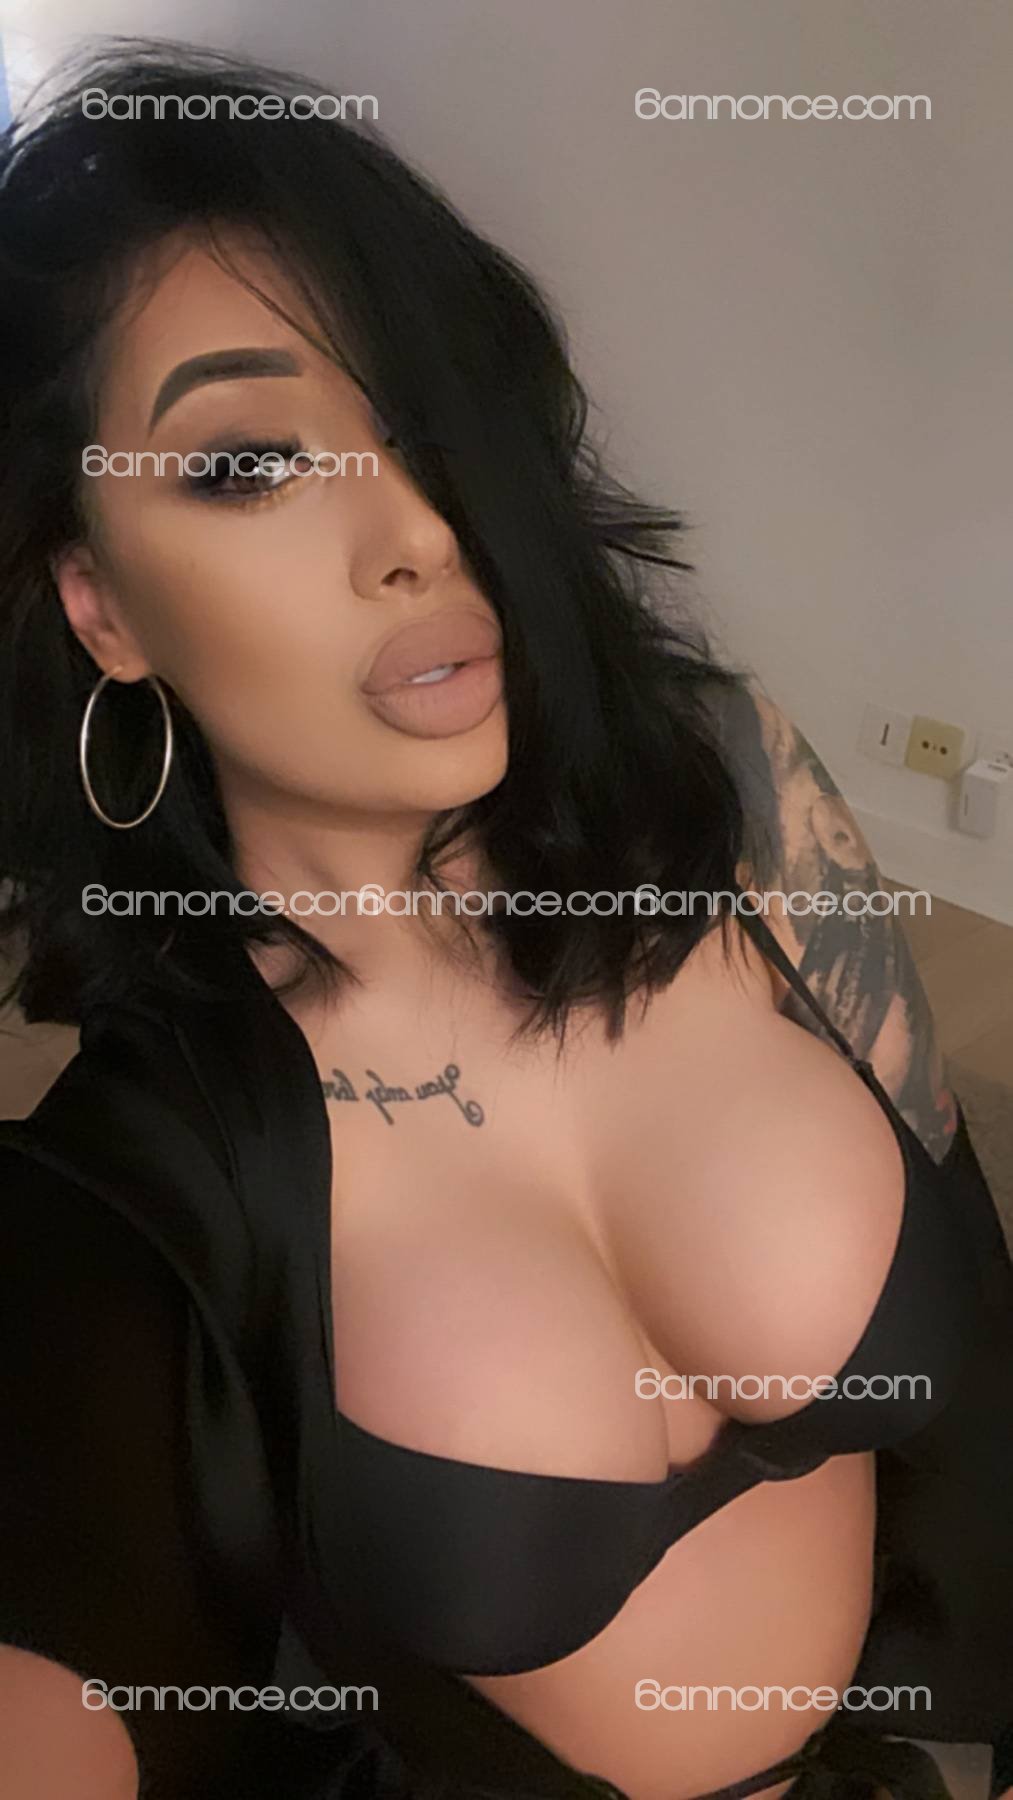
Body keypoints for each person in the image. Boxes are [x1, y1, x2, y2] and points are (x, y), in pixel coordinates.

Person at [1, 37, 1011, 1800]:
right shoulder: (132, 1187)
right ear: (102, 610)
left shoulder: (729, 793)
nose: (414, 535)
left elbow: (970, 1296)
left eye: (421, 420)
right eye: (246, 466)